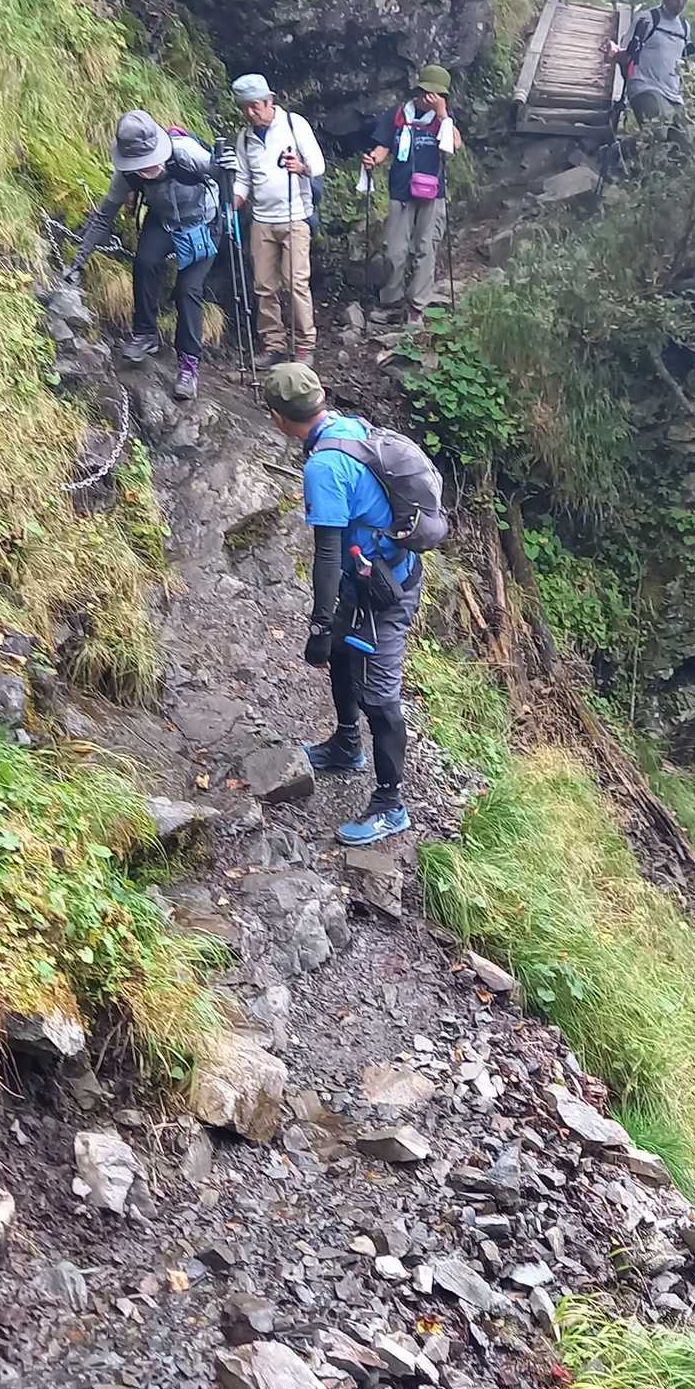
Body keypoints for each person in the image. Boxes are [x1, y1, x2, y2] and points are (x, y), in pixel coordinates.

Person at [264, 362, 422, 847]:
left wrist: (319, 625)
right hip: (371, 575)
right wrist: (330, 631)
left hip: (385, 590)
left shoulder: (324, 466)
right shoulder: (347, 427)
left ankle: (391, 805)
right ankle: (346, 745)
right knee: (342, 653)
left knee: (380, 695)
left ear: (278, 418)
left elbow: (327, 555)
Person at [68, 109, 228, 401]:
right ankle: (145, 334)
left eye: (149, 162)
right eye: (139, 165)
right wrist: (78, 262)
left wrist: (224, 167)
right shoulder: (127, 174)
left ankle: (188, 365)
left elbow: (222, 175)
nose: (145, 170)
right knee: (144, 263)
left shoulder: (186, 153)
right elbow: (104, 216)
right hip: (163, 220)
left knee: (188, 290)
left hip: (203, 223)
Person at [231, 74, 325, 371]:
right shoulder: (245, 138)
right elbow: (243, 179)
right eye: (245, 107)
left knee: (295, 282)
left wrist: (301, 167)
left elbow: (318, 165)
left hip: (295, 216)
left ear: (269, 101)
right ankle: (273, 345)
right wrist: (231, 204)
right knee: (263, 285)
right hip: (262, 220)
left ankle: (305, 344)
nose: (250, 113)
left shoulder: (294, 125)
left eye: (255, 106)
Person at [362, 63, 462, 322]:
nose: (429, 98)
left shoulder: (444, 119)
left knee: (425, 249)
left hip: (433, 193)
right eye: (426, 92)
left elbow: (455, 144)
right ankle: (391, 303)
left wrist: (442, 114)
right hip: (401, 191)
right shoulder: (398, 115)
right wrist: (373, 159)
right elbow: (383, 146)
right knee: (395, 250)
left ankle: (417, 307)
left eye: (436, 94)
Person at [605, 0, 695, 146]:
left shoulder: (684, 27)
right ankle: (616, 153)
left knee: (687, 145)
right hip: (644, 87)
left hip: (673, 95)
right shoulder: (647, 19)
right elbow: (626, 52)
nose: (680, 2)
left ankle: (632, 156)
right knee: (657, 132)